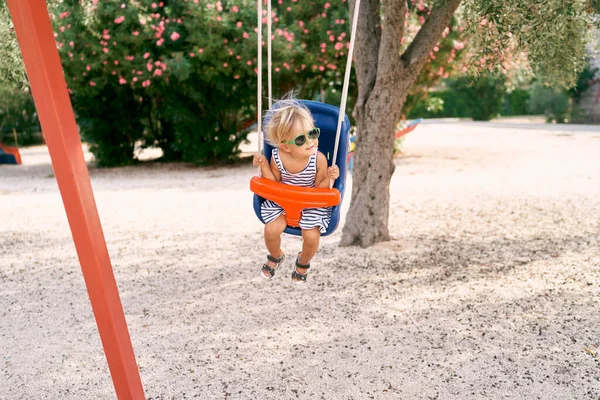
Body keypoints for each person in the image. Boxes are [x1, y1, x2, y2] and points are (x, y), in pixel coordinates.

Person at [253, 102, 339, 284]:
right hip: (282, 201)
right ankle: (276, 256)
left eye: (312, 134)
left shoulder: (319, 159)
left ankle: (303, 262)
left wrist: (330, 178)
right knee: (270, 230)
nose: (310, 142)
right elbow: (273, 182)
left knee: (311, 236)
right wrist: (264, 166)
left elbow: (320, 188)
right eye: (301, 140)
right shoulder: (277, 157)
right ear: (285, 147)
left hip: (310, 203)